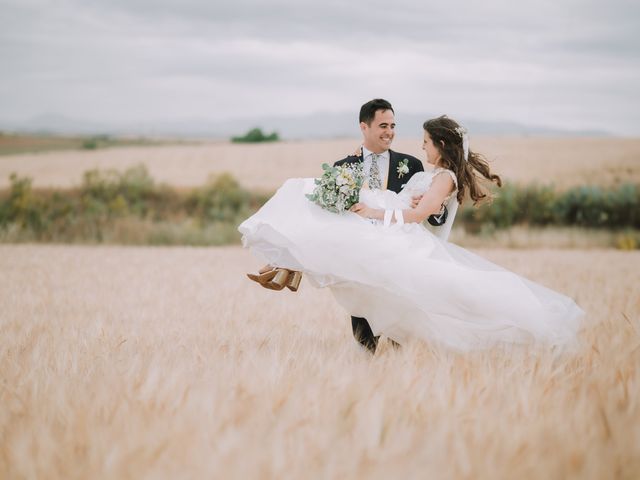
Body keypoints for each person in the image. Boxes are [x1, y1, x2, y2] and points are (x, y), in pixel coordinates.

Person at [239, 110, 584, 355]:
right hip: (387, 220)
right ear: (365, 126)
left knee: (340, 238)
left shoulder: (442, 177)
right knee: (313, 198)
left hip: (397, 230)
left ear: (441, 145)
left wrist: (375, 210)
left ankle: (287, 263)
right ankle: (285, 263)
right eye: (385, 125)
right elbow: (418, 204)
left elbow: (422, 214)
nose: (422, 147)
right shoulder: (434, 175)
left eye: (426, 142)